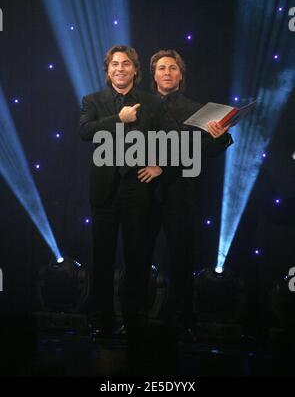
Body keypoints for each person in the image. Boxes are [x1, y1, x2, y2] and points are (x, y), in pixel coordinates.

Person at [79, 45, 163, 340]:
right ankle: (101, 317)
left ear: (135, 70)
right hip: (105, 189)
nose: (120, 69)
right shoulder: (93, 100)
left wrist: (160, 165)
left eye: (126, 64)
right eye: (114, 64)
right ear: (107, 71)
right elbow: (84, 131)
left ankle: (134, 317)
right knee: (102, 257)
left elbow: (170, 136)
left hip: (138, 186)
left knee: (137, 256)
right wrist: (120, 119)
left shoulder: (151, 103)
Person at [150, 49, 233, 340]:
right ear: (154, 74)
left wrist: (218, 136)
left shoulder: (196, 109)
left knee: (181, 257)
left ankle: (184, 318)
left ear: (180, 75)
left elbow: (206, 152)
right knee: (137, 257)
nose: (167, 72)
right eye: (162, 68)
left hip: (179, 191)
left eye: (173, 68)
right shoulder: (141, 105)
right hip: (144, 191)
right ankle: (136, 315)